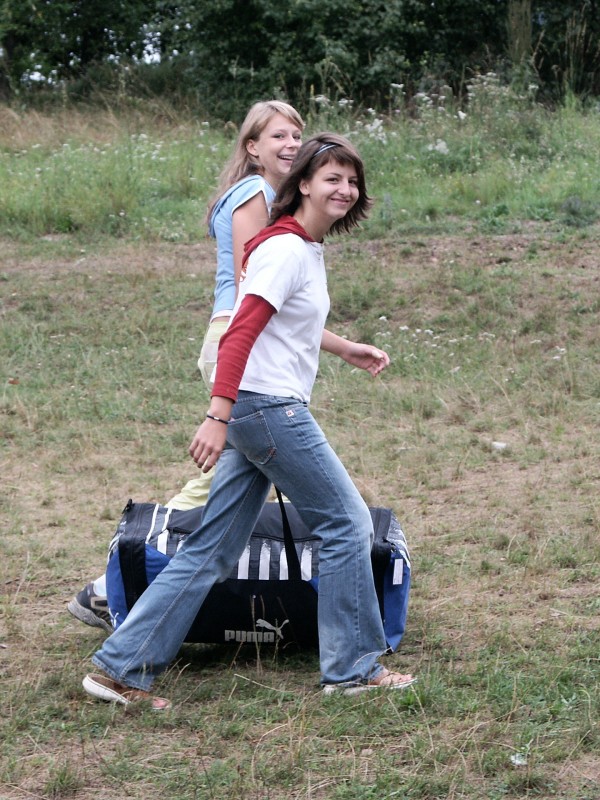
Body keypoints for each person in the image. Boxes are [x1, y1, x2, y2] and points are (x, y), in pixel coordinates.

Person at [81, 132, 416, 708]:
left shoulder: (299, 247)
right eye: (332, 178)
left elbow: (286, 321)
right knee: (347, 524)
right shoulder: (285, 249)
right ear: (303, 184)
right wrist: (218, 414)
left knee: (211, 547)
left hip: (256, 408)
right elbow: (239, 331)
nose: (344, 189)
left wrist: (345, 348)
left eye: (351, 180)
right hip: (266, 409)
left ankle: (119, 668)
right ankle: (353, 670)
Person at [67, 100, 305, 633]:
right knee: (253, 473)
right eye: (278, 136)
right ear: (253, 148)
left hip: (245, 338)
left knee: (239, 477)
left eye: (296, 134)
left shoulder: (262, 194)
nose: (291, 144)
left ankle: (119, 585)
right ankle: (114, 582)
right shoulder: (256, 193)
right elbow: (253, 285)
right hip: (240, 340)